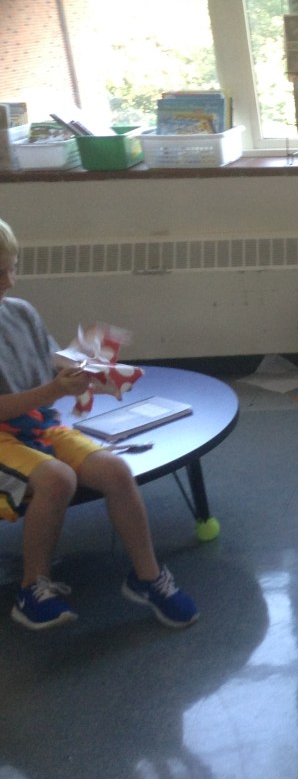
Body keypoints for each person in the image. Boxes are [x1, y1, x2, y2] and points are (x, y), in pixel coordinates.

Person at [0, 217, 198, 631]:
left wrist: (86, 363)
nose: (10, 282)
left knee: (115, 470)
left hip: (37, 425)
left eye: (12, 268)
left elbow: (53, 364)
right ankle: (32, 588)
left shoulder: (19, 312)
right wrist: (54, 390)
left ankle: (147, 577)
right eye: (0, 273)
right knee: (57, 479)